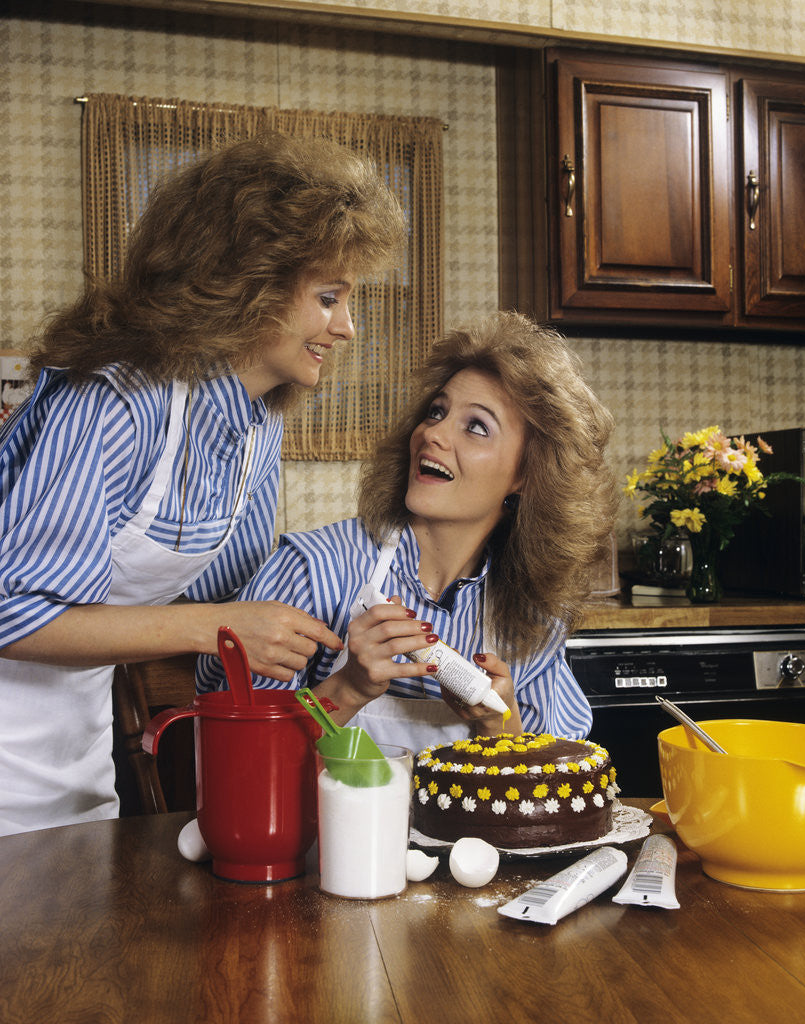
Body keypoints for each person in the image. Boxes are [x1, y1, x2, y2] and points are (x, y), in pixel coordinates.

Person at [0, 131, 406, 835]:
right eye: (329, 296)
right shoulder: (116, 402)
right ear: (249, 282)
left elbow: (238, 619)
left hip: (78, 758)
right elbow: (9, 612)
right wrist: (211, 627)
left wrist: (345, 653)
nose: (346, 327)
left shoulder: (254, 428)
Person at [197, 311, 618, 752]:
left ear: (527, 476)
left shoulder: (531, 620)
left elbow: (551, 787)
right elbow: (237, 751)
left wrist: (500, 730)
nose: (433, 433)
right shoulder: (313, 570)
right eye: (437, 412)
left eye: (476, 426)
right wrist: (349, 689)